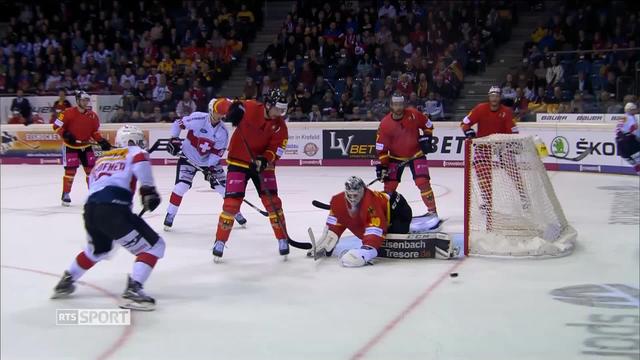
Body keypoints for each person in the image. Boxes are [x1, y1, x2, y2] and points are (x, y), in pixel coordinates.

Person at [51, 125, 164, 311]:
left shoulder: (102, 159)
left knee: (98, 249)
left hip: (91, 209)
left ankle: (67, 279)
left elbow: (97, 183)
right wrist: (148, 191)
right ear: (131, 140)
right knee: (155, 246)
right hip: (113, 207)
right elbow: (141, 160)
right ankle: (134, 290)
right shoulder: (134, 151)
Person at [211, 89, 289, 261]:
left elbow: (277, 149)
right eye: (278, 109)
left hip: (262, 166)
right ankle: (220, 241)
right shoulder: (251, 107)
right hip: (238, 161)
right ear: (268, 105)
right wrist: (231, 111)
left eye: (283, 110)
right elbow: (219, 103)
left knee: (273, 203)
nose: (280, 113)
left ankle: (282, 238)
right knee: (231, 204)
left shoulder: (280, 126)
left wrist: (266, 159)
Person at [163, 98, 247, 230]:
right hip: (188, 157)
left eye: (221, 114)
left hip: (209, 163)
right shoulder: (197, 119)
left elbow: (216, 154)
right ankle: (170, 213)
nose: (218, 116)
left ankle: (235, 212)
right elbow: (177, 124)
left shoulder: (223, 132)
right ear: (210, 110)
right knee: (181, 187)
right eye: (217, 112)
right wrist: (173, 139)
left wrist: (208, 168)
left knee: (224, 189)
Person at [460, 86, 525, 228]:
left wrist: (513, 142)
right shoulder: (480, 108)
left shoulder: (506, 112)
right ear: (489, 97)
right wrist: (469, 132)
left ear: (500, 97)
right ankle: (487, 201)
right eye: (492, 95)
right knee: (483, 174)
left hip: (501, 144)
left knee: (512, 169)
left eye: (496, 96)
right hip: (484, 145)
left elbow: (513, 130)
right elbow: (464, 123)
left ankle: (523, 195)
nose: (494, 98)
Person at [313, 176, 413, 267]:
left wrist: (367, 250)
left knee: (393, 233)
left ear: (362, 192)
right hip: (382, 206)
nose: (352, 199)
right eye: (349, 195)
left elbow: (375, 228)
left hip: (399, 211)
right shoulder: (338, 200)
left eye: (355, 195)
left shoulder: (371, 203)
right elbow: (337, 219)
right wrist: (330, 237)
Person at [376, 93, 439, 219]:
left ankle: (433, 212)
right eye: (395, 105)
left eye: (400, 104)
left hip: (416, 155)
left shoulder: (414, 114)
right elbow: (381, 149)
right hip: (395, 158)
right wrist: (383, 166)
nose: (398, 107)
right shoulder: (385, 124)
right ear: (391, 106)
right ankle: (386, 216)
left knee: (423, 182)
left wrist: (427, 138)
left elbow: (428, 125)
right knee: (389, 187)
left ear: (403, 104)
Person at [53, 90, 112, 206]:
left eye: (87, 100)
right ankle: (65, 193)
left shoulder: (93, 116)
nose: (85, 102)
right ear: (77, 100)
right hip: (70, 146)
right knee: (70, 171)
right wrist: (65, 134)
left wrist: (101, 141)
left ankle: (94, 193)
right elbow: (56, 126)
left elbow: (94, 132)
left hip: (86, 146)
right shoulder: (66, 113)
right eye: (83, 100)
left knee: (91, 171)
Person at [616, 102, 640, 175]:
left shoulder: (621, 117)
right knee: (638, 160)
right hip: (629, 142)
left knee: (635, 164)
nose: (637, 111)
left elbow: (617, 131)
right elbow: (634, 129)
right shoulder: (631, 118)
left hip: (620, 144)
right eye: (635, 109)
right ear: (631, 110)